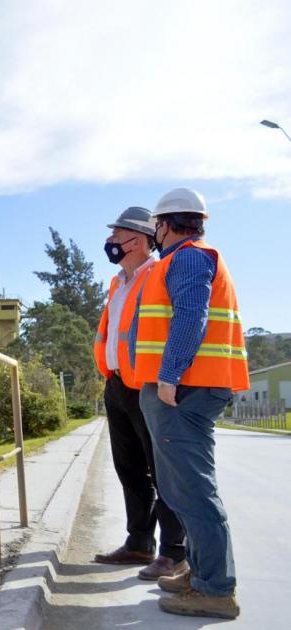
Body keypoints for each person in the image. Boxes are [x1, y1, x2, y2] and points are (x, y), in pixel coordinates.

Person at [132, 188, 249, 620]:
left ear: (164, 225)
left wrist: (168, 376)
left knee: (194, 491)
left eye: (155, 227)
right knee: (181, 489)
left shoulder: (188, 258)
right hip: (189, 388)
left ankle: (216, 589)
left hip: (186, 390)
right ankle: (201, 574)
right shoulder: (186, 258)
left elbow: (190, 315)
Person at [91, 207, 187, 580]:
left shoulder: (159, 273)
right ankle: (139, 543)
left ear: (140, 240)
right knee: (129, 468)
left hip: (148, 384)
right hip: (117, 383)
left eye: (117, 236)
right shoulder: (118, 282)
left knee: (164, 471)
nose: (111, 243)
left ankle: (174, 551)